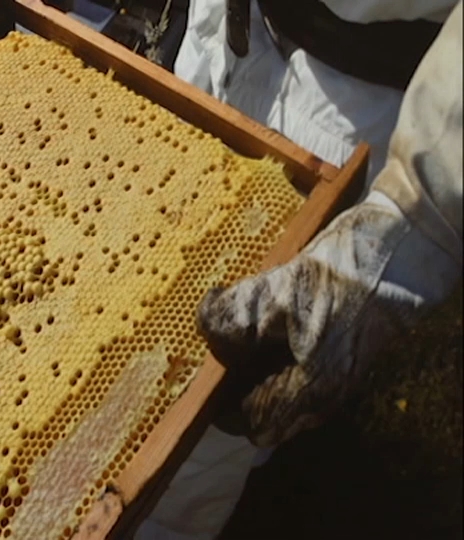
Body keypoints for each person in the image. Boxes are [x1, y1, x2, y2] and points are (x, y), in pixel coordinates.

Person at [136, 0, 462, 538]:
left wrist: (413, 219)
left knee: (197, 418)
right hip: (220, 33)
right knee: (136, 317)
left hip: (351, 104)